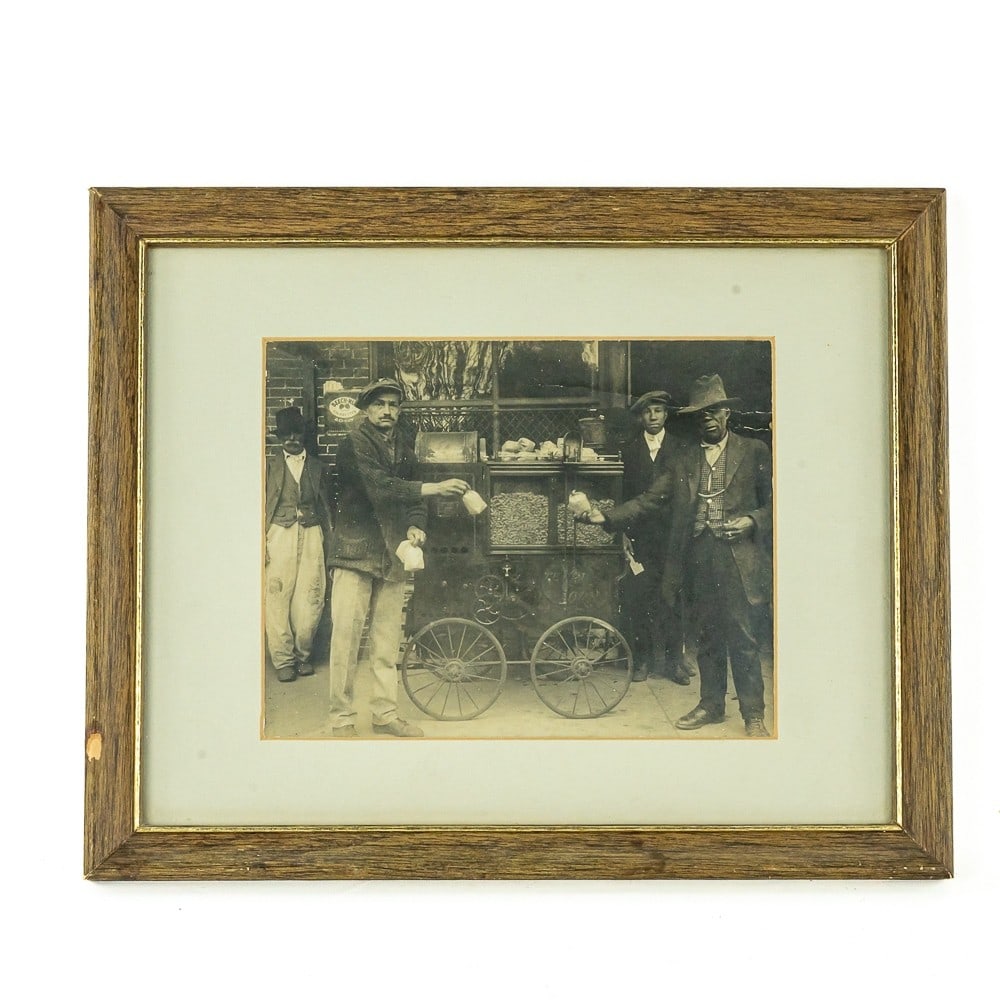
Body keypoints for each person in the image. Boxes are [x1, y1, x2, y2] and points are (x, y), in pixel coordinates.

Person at [582, 374, 773, 737]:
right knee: (707, 637)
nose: (709, 419)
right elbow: (649, 499)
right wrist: (605, 517)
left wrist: (751, 520)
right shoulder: (684, 460)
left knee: (743, 639)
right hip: (698, 558)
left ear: (727, 415)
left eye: (715, 411)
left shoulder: (753, 451)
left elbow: (775, 505)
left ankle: (753, 715)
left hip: (738, 560)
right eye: (702, 414)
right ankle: (712, 705)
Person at [328, 378, 471, 738]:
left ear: (400, 409)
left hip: (393, 553)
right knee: (345, 639)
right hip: (354, 551)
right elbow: (379, 486)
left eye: (393, 404)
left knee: (386, 640)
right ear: (367, 409)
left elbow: (413, 500)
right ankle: (342, 717)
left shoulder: (405, 448)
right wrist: (435, 487)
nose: (387, 411)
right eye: (380, 405)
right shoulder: (354, 444)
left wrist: (416, 526)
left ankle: (384, 715)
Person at [617, 390, 690, 684]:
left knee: (672, 599)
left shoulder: (681, 448)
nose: (653, 417)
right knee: (639, 598)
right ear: (641, 416)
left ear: (666, 415)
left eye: (658, 411)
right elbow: (623, 497)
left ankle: (674, 663)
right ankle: (643, 660)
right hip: (641, 538)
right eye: (648, 412)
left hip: (672, 536)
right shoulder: (630, 451)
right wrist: (623, 532)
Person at [264, 406, 334, 682]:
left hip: (313, 533)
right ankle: (283, 660)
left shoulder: (318, 468)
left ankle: (303, 656)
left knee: (311, 593)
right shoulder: (269, 465)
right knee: (277, 592)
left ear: (304, 435)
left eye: (296, 433)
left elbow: (327, 507)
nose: (292, 439)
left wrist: (331, 543)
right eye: (286, 434)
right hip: (279, 534)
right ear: (279, 437)